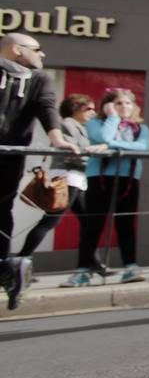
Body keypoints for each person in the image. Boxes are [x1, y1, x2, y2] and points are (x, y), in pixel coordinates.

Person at [0, 32, 80, 307]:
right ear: (16, 49)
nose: (42, 54)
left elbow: (46, 109)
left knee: (1, 210)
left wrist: (57, 138)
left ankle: (7, 267)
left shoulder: (39, 80)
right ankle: (9, 268)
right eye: (37, 48)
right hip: (8, 156)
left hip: (9, 158)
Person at [16, 95, 106, 288]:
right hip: (67, 177)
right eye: (88, 108)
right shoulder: (68, 124)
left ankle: (94, 261)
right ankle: (21, 261)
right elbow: (72, 152)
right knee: (50, 221)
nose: (92, 112)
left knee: (87, 222)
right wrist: (94, 150)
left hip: (76, 178)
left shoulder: (79, 126)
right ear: (75, 108)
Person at [82, 88, 149, 285]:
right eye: (118, 103)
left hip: (128, 179)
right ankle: (83, 269)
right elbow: (102, 137)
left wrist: (109, 146)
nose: (124, 107)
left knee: (126, 224)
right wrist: (112, 118)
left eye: (128, 103)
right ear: (108, 105)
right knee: (93, 225)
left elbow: (143, 147)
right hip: (100, 177)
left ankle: (130, 266)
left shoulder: (141, 128)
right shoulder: (96, 123)